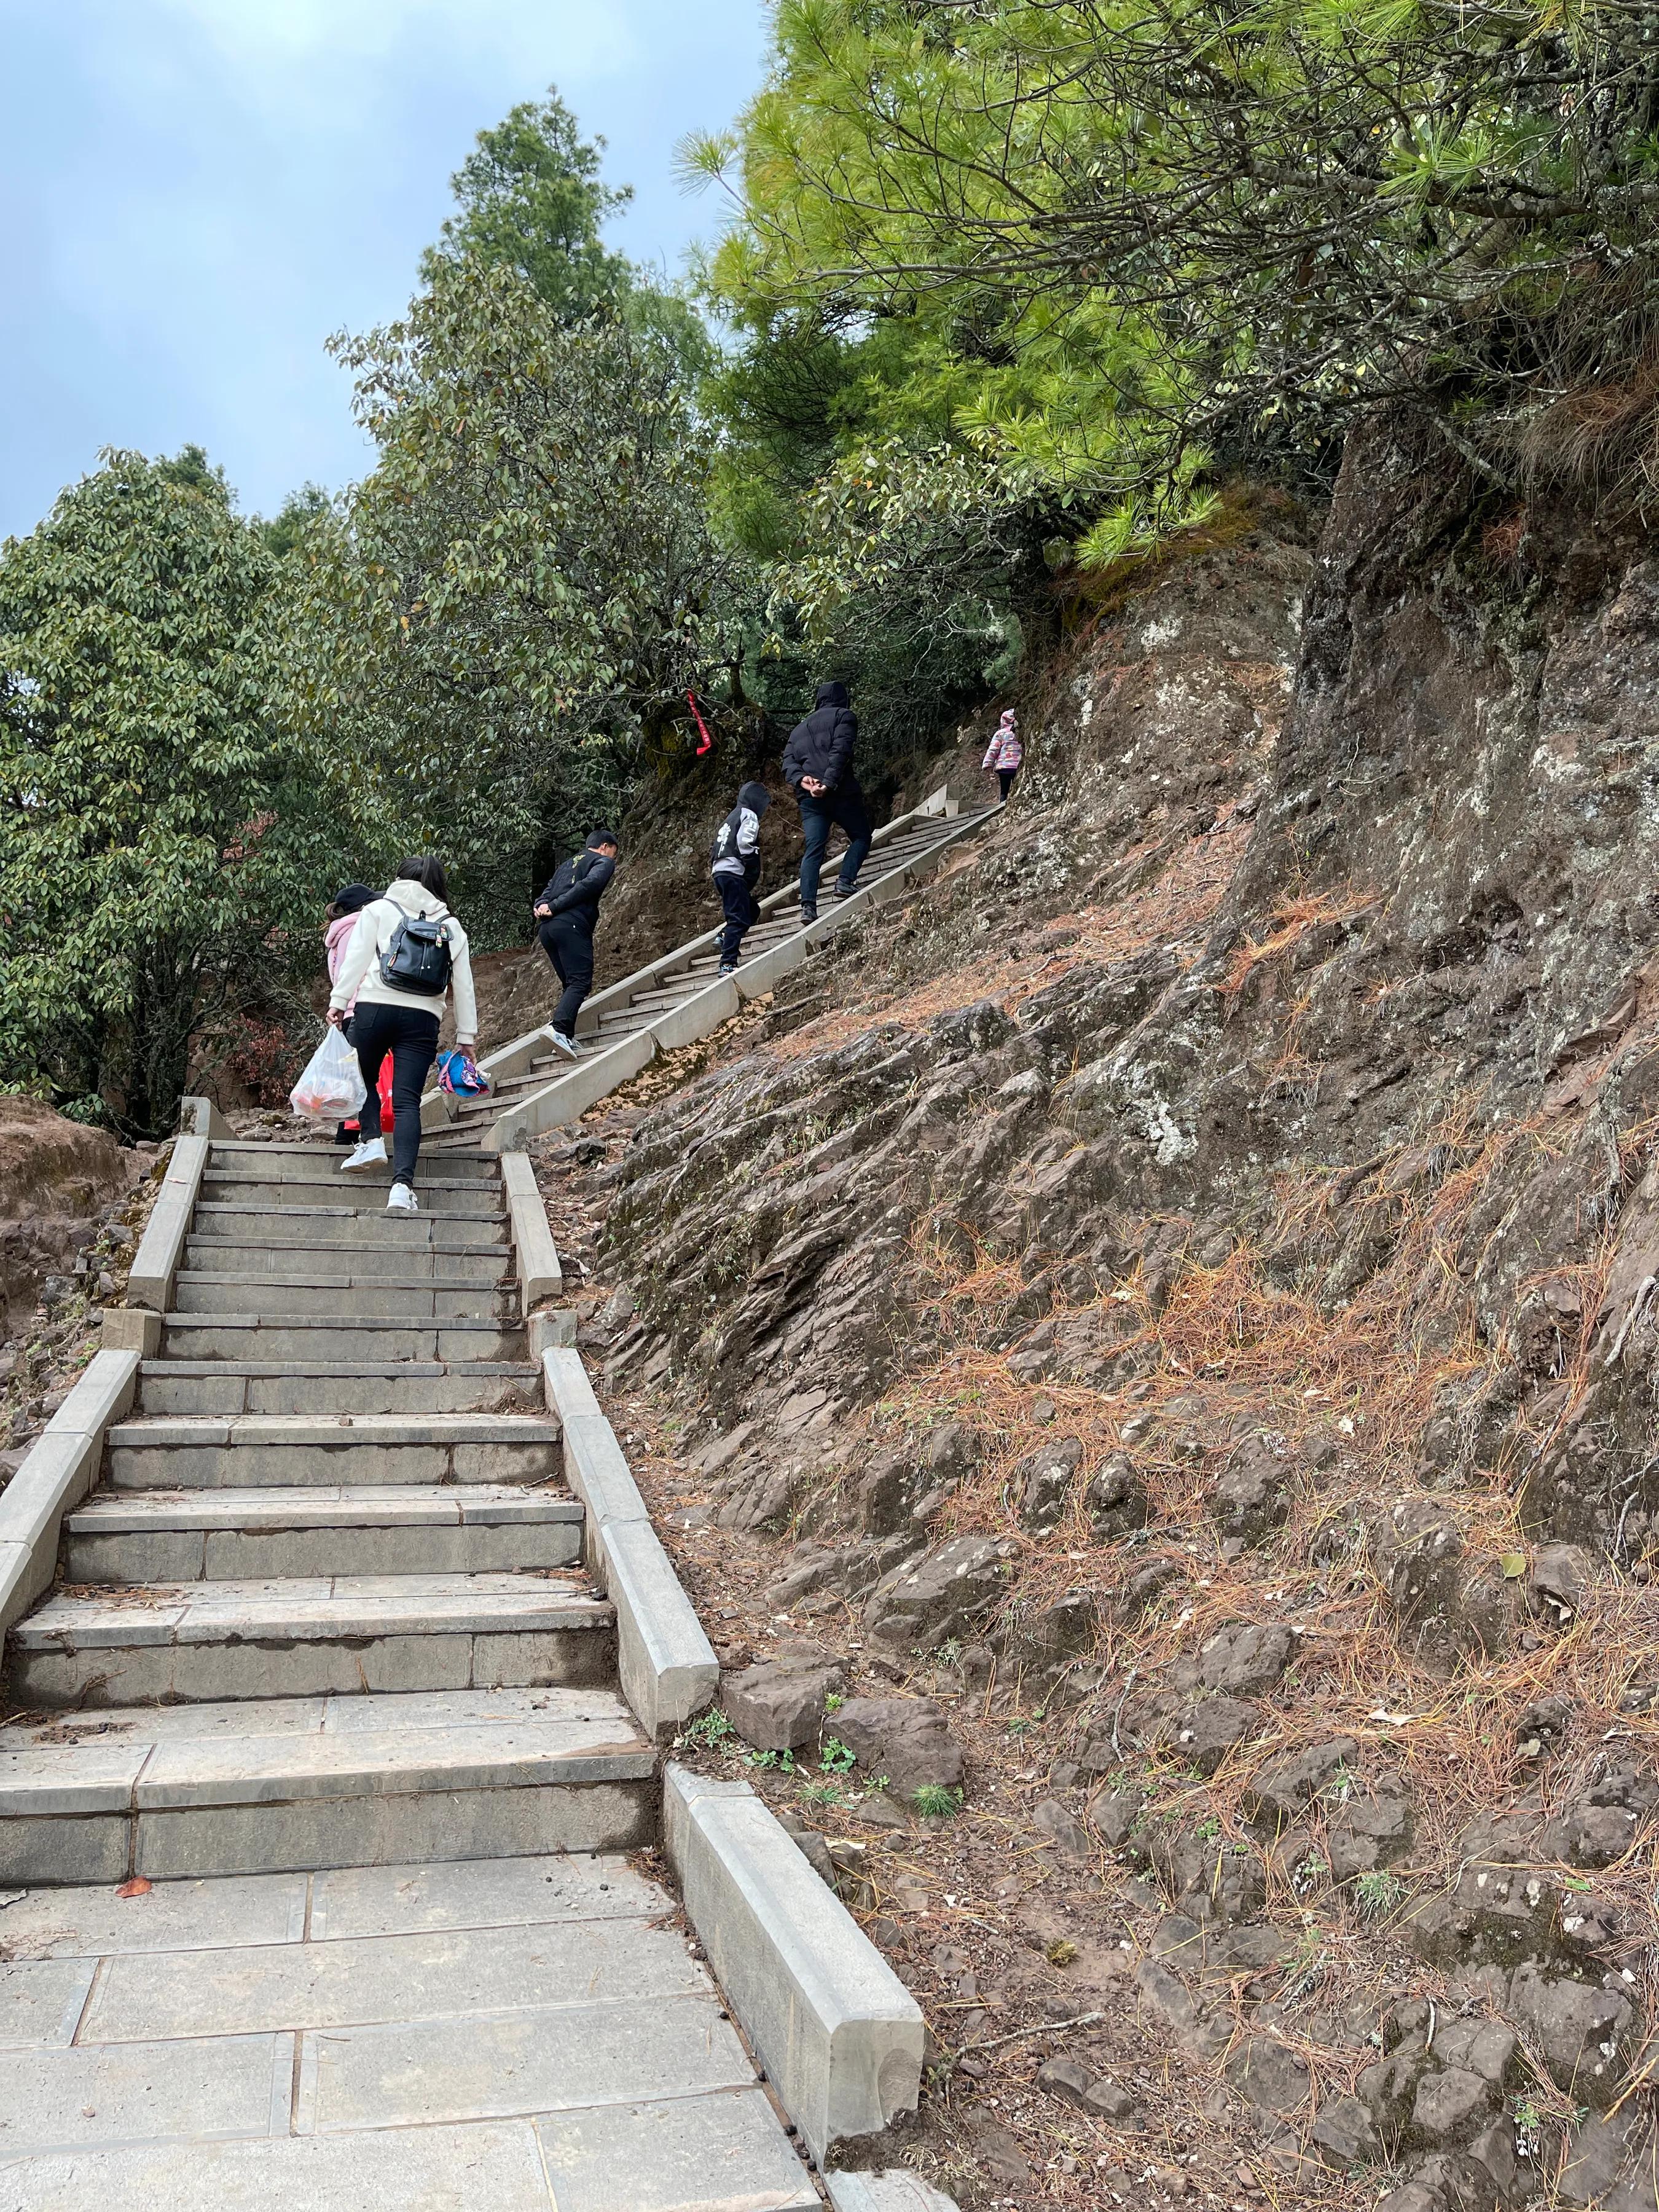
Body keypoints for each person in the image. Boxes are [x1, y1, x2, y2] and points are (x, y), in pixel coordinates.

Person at [327, 857, 477, 1214]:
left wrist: (338, 1002)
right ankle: (401, 1187)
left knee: (361, 1079)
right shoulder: (451, 925)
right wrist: (466, 1035)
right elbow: (465, 986)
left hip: (375, 1007)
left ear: (399, 879)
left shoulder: (379, 909)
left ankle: (371, 1140)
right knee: (408, 1101)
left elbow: (358, 961)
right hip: (423, 1018)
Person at [782, 680, 871, 923]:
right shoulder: (845, 717)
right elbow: (840, 752)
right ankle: (845, 881)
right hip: (841, 793)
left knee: (814, 849)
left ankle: (808, 907)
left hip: (811, 801)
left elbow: (788, 764)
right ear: (843, 699)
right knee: (862, 836)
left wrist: (804, 781)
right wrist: (828, 784)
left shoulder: (798, 730)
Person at [533, 830, 619, 1057]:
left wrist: (542, 905)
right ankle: (559, 1029)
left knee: (571, 983)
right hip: (571, 924)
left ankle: (566, 1036)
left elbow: (547, 891)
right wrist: (555, 906)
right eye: (613, 853)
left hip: (547, 929)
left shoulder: (566, 865)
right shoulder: (603, 862)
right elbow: (589, 885)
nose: (613, 858)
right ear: (605, 846)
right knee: (580, 981)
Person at [323, 884, 375, 1147]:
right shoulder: (358, 930)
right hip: (362, 1008)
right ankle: (352, 1138)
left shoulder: (337, 935)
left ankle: (348, 1135)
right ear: (362, 907)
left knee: (354, 1076)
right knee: (363, 1077)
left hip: (345, 1012)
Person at [710, 780, 771, 975]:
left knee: (752, 911)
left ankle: (724, 935)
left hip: (719, 872)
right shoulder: (749, 815)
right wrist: (751, 863)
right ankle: (727, 963)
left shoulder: (731, 817)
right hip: (733, 872)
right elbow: (745, 843)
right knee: (738, 919)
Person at [982, 709, 1023, 802]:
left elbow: (994, 749)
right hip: (1017, 765)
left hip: (1004, 767)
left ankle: (1002, 804)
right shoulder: (1019, 732)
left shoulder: (1000, 733)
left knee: (1004, 789)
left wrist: (988, 763)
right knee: (1017, 786)